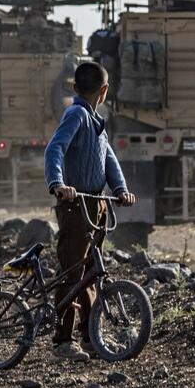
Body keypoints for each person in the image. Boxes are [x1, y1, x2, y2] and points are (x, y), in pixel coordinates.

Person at [44, 62, 136, 362]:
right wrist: (57, 183)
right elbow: (54, 149)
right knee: (73, 272)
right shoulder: (76, 114)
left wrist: (120, 189)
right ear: (105, 90)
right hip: (74, 203)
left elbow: (108, 159)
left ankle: (90, 335)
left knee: (90, 272)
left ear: (74, 87)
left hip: (95, 203)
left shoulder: (96, 121)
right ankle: (62, 341)